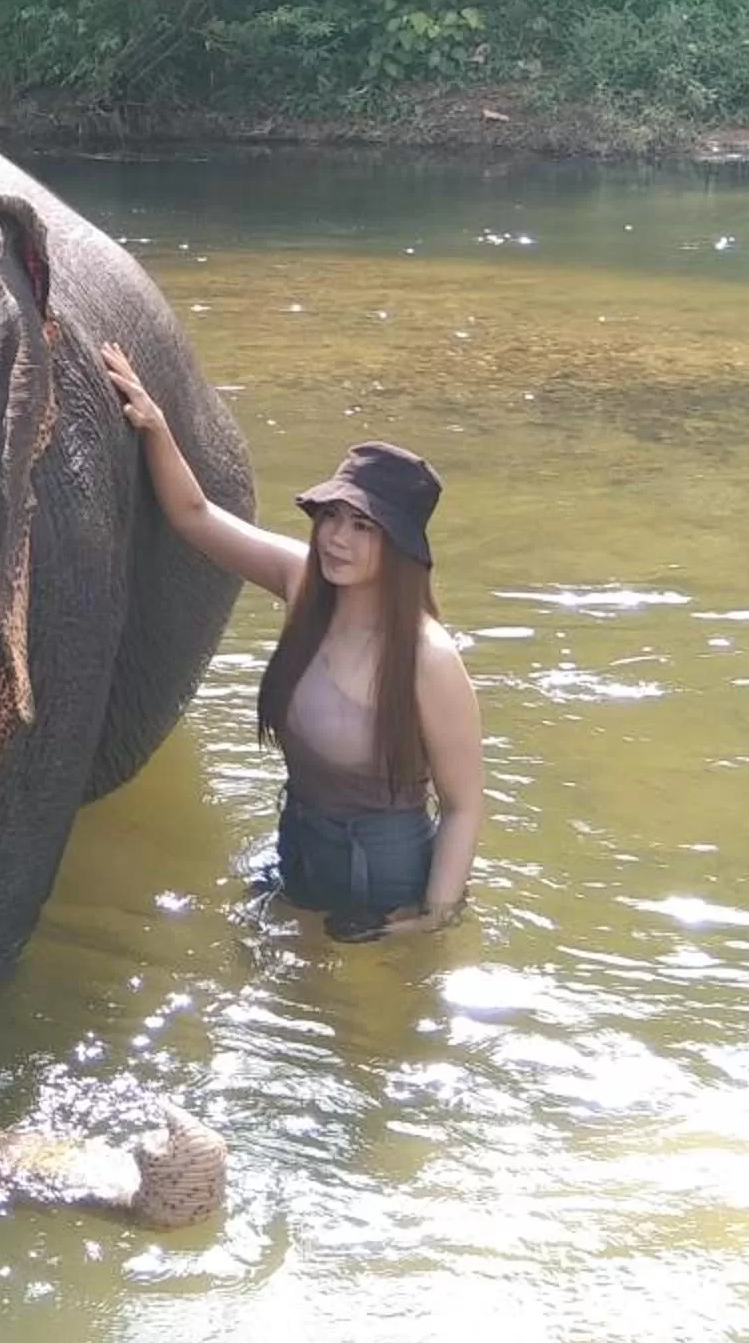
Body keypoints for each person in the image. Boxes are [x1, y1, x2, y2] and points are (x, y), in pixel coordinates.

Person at [99, 344, 484, 938]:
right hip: (299, 842)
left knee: (356, 1025)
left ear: (400, 548)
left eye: (363, 527)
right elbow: (195, 517)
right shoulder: (301, 581)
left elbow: (462, 806)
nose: (337, 539)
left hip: (382, 884)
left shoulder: (427, 658)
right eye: (331, 517)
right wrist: (154, 421)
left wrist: (427, 921)